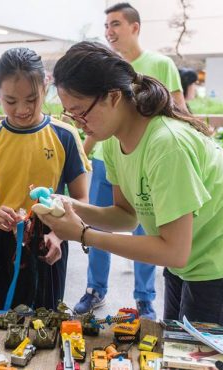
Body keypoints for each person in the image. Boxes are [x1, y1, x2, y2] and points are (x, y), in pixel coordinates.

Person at [42, 41, 223, 327]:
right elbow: (126, 216)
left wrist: (84, 235)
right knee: (173, 339)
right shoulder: (114, 139)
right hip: (187, 254)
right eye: (70, 115)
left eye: (81, 112)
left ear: (113, 97)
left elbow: (174, 251)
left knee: (194, 352)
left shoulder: (166, 145)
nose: (78, 123)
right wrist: (69, 205)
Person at [73, 2, 188, 318]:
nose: (109, 31)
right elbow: (99, 121)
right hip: (107, 158)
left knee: (148, 229)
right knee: (104, 218)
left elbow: (180, 111)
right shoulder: (104, 73)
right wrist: (82, 152)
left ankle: (144, 297)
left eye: (116, 24)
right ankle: (95, 289)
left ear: (135, 27)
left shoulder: (160, 64)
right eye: (106, 26)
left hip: (149, 159)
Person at [0, 47, 90, 310]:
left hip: (48, 242)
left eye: (31, 99)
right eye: (10, 100)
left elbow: (81, 199)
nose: (22, 109)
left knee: (45, 321)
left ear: (45, 86)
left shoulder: (64, 136)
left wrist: (59, 235)